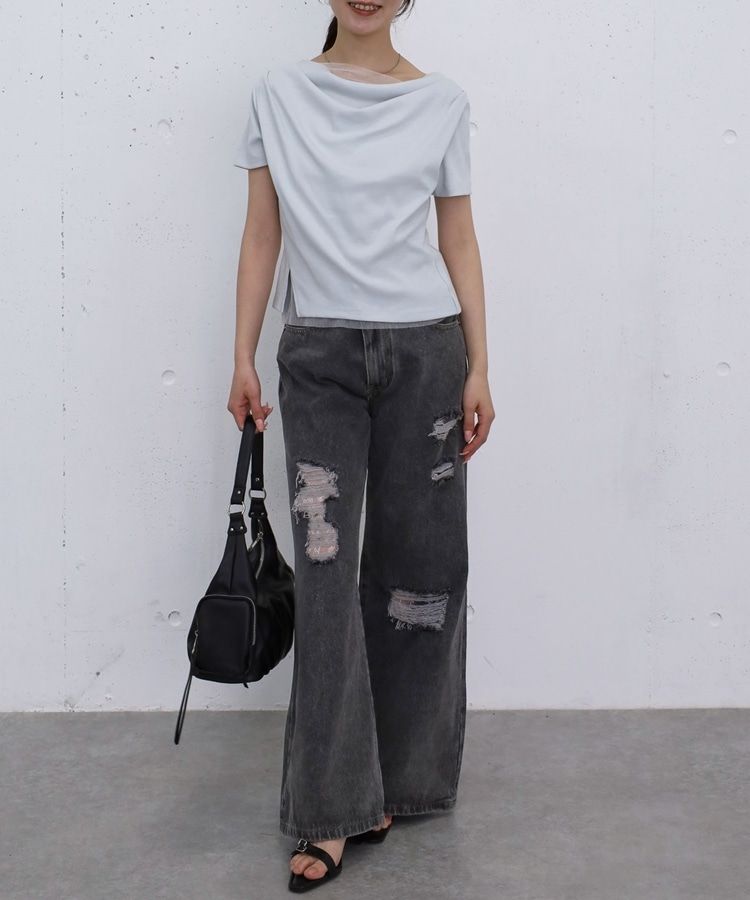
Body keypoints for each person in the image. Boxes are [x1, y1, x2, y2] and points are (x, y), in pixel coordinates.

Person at [228, 0, 494, 892]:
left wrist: (480, 365)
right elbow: (263, 230)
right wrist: (243, 354)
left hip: (427, 352)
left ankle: (401, 783)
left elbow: (457, 234)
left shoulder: (442, 101)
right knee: (328, 579)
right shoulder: (279, 93)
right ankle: (332, 807)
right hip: (320, 356)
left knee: (423, 573)